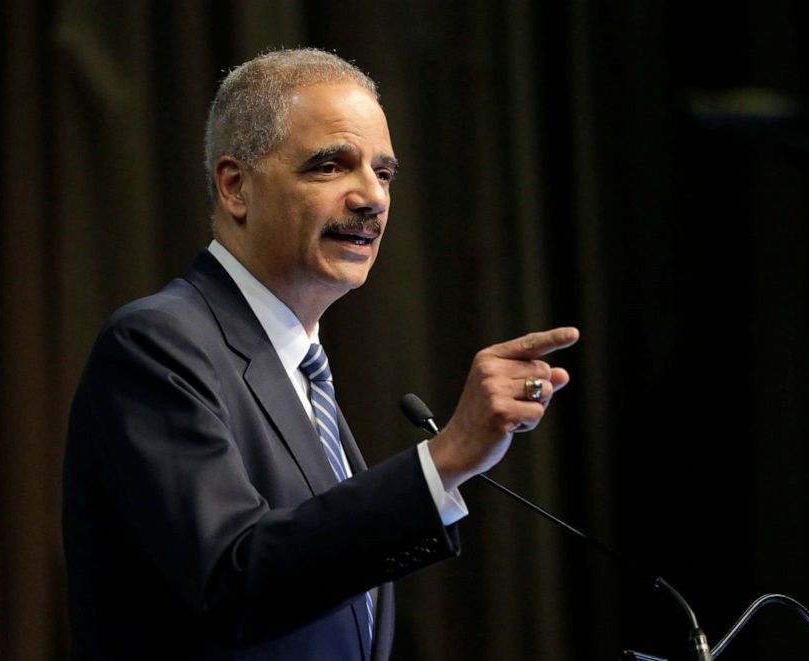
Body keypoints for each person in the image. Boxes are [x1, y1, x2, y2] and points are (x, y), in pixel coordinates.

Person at [62, 47, 579, 660]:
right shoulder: (158, 345)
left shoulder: (304, 373)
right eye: (332, 166)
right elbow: (234, 578)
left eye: (383, 174)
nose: (372, 198)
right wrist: (443, 461)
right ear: (235, 187)